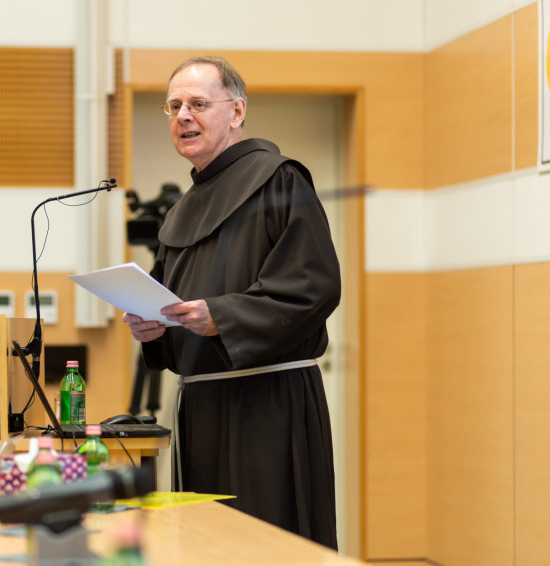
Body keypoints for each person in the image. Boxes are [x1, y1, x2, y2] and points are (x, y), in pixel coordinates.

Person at [122, 56, 341, 550]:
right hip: (201, 405)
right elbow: (170, 297)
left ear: (237, 111)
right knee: (206, 544)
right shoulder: (183, 208)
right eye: (174, 106)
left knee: (265, 544)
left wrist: (221, 317)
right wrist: (153, 326)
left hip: (268, 405)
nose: (183, 115)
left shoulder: (278, 179)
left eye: (198, 104)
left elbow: (314, 285)